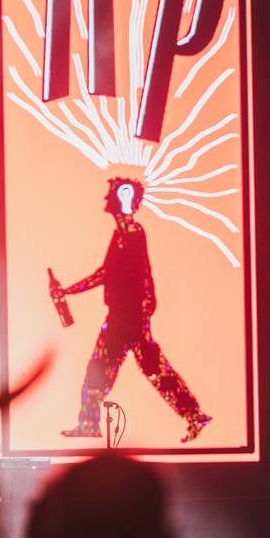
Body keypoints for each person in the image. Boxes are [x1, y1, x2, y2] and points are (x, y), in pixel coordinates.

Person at [50, 177, 210, 442]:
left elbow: (137, 271)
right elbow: (107, 273)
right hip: (125, 316)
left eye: (124, 195)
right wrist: (69, 290)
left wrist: (146, 303)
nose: (116, 199)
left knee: (107, 368)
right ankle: (193, 415)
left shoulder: (132, 232)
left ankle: (90, 423)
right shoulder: (123, 234)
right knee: (148, 368)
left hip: (127, 317)